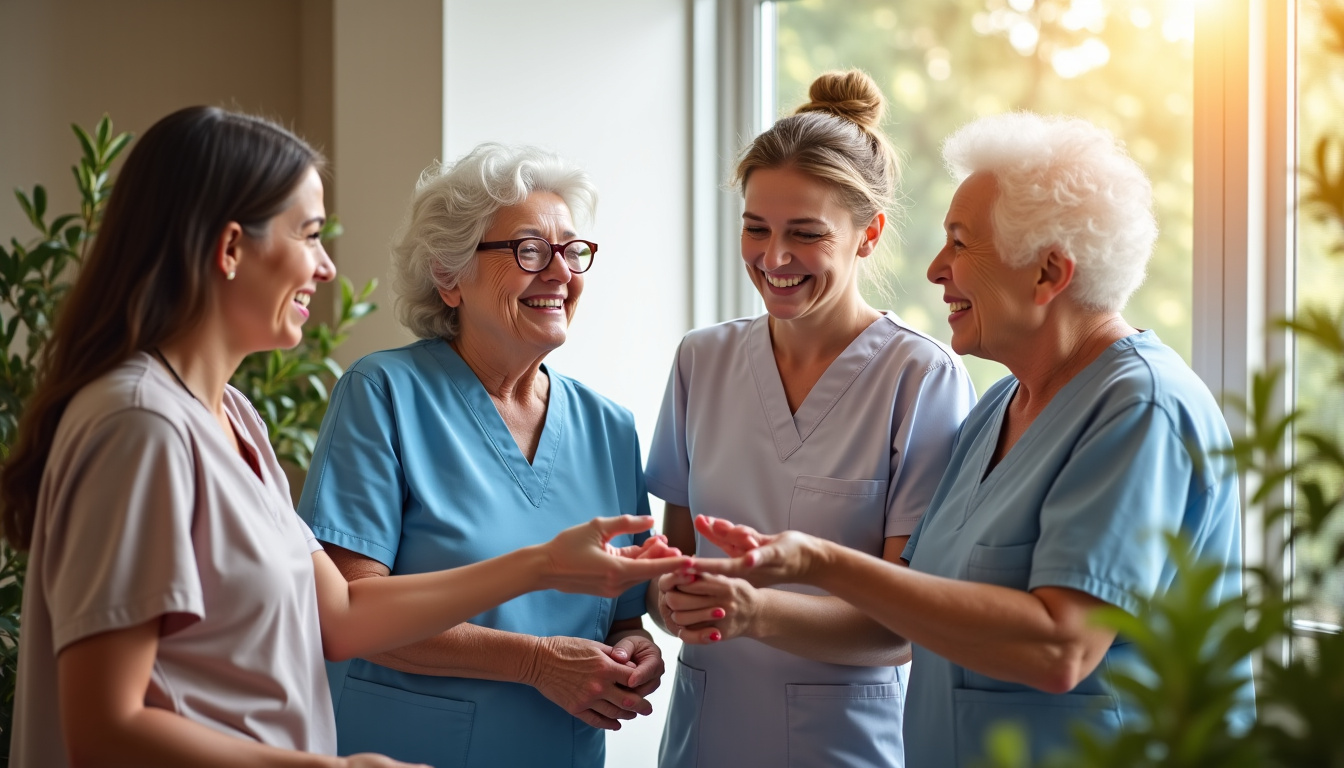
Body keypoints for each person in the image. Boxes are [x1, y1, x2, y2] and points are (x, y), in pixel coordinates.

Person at [0, 106, 688, 768]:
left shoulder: (234, 418)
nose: (327, 267)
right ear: (232, 247)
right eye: (309, 235)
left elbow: (342, 617)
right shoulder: (140, 427)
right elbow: (100, 729)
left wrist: (543, 565)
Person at [690, 112, 1254, 766]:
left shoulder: (1141, 408)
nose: (935, 269)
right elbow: (923, 605)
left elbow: (1060, 648)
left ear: (1048, 273)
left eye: (960, 243)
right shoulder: (996, 411)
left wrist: (818, 563)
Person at [294, 143, 667, 768]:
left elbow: (622, 617)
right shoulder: (384, 394)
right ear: (449, 275)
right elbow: (348, 614)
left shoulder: (610, 428)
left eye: (572, 252)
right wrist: (535, 663)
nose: (560, 273)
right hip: (408, 753)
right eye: (528, 250)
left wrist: (635, 650)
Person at [644, 70, 977, 768]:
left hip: (845, 747)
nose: (774, 258)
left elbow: (908, 626)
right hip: (703, 739)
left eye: (805, 234)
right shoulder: (700, 361)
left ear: (869, 234)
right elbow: (672, 564)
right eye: (756, 229)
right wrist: (664, 600)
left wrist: (754, 612)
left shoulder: (920, 378)